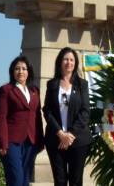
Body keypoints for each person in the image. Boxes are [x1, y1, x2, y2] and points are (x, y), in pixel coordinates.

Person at [42, 47, 91, 186]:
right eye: (65, 59)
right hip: (56, 139)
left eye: (71, 60)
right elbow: (47, 110)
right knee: (60, 180)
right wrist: (60, 133)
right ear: (60, 62)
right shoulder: (52, 84)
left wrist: (70, 134)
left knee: (76, 181)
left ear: (75, 63)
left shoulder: (82, 85)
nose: (68, 62)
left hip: (78, 140)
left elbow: (85, 111)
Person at [0, 55, 43, 186]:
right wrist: (3, 142)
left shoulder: (34, 91)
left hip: (31, 140)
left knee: (25, 179)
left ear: (29, 71)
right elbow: (1, 117)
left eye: (24, 68)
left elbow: (37, 116)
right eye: (17, 68)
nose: (21, 71)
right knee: (16, 178)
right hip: (11, 141)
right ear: (12, 72)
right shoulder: (6, 90)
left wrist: (40, 140)